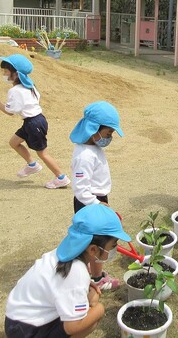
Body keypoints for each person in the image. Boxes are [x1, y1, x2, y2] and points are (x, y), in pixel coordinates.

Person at [5, 203, 130, 337]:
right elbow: (72, 327)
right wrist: (99, 308)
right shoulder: (76, 272)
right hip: (25, 331)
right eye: (113, 245)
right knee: (92, 319)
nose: (114, 249)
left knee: (87, 310)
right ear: (93, 249)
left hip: (16, 321)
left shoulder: (63, 255)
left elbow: (58, 285)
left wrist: (86, 286)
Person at [0, 54, 70, 189]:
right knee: (14, 142)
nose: (4, 73)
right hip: (35, 121)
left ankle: (61, 177)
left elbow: (10, 112)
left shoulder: (14, 91)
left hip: (34, 124)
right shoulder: (30, 86)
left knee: (43, 153)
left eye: (6, 71)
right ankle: (32, 165)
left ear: (15, 74)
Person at [69, 101, 124, 291]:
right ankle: (93, 279)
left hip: (96, 201)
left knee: (94, 242)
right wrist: (98, 205)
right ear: (94, 130)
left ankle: (91, 274)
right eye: (108, 133)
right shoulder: (84, 155)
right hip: (90, 203)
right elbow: (81, 189)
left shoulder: (92, 148)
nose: (110, 138)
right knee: (96, 244)